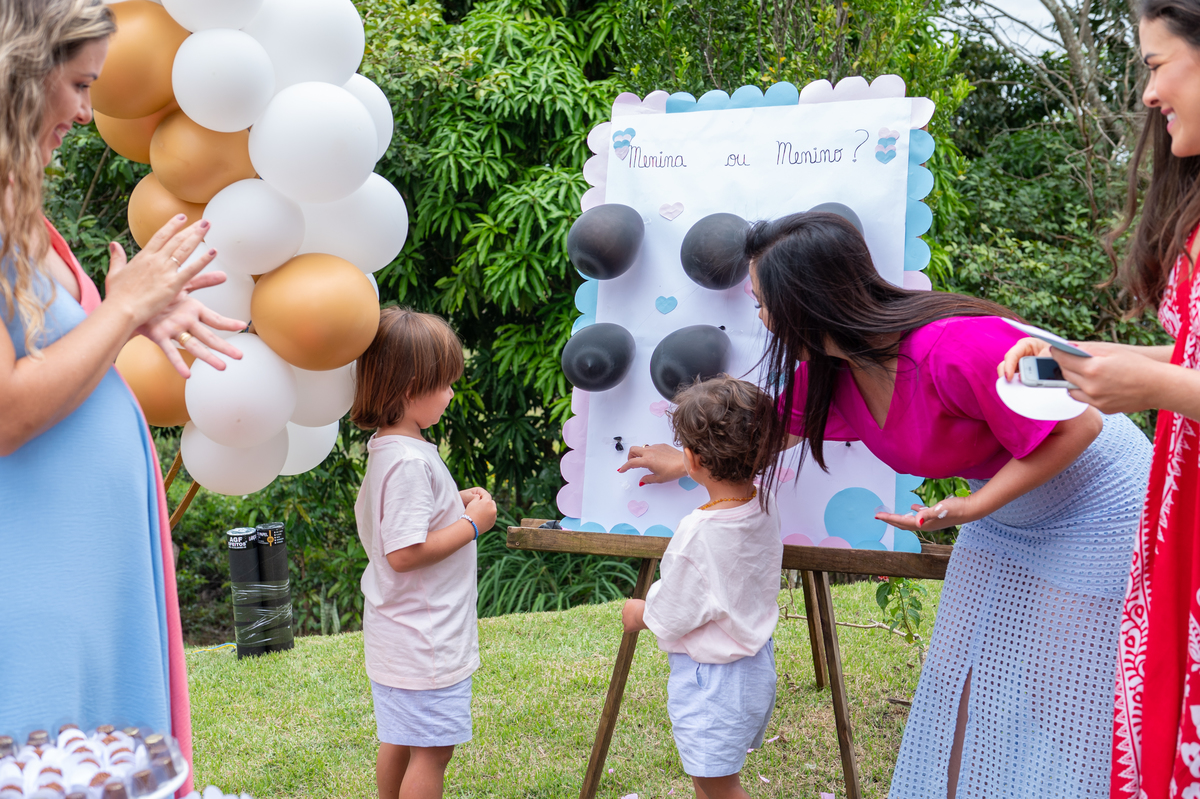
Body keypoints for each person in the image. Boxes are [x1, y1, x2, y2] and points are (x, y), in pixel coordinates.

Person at [620, 212, 1152, 798]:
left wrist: (975, 507)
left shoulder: (963, 342)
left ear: (805, 302)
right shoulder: (829, 374)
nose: (762, 317)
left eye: (763, 303)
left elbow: (1081, 424)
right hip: (1007, 509)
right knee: (962, 679)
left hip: (1098, 503)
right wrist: (683, 460)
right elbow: (763, 435)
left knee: (1062, 690)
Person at [0, 0, 244, 788]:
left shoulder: (21, 210)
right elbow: (7, 411)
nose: (85, 111)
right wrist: (126, 308)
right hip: (33, 583)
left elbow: (60, 354)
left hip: (87, 576)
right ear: (19, 74)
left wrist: (125, 314)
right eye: (77, 85)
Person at [999, 2, 1200, 794]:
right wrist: (1087, 360)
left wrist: (1152, 386)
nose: (1148, 95)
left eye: (1156, 66)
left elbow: (1180, 376)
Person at [351, 307, 498, 799]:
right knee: (432, 752)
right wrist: (472, 525)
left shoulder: (389, 449)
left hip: (400, 633)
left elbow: (404, 518)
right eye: (445, 384)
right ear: (411, 389)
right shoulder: (410, 462)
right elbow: (405, 551)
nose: (452, 394)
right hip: (426, 640)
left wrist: (453, 501)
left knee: (399, 738)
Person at [621, 375, 782, 799]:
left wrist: (640, 613)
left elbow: (675, 609)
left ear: (691, 461)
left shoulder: (697, 532)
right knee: (709, 778)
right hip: (754, 665)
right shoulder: (763, 503)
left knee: (718, 784)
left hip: (714, 679)